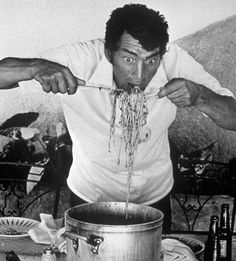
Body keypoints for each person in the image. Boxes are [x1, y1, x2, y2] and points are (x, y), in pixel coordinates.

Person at [0, 4, 236, 233]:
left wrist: (200, 96)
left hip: (154, 199)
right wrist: (35, 67)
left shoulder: (175, 60)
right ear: (109, 51)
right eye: (129, 59)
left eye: (151, 60)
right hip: (89, 197)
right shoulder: (80, 59)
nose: (140, 76)